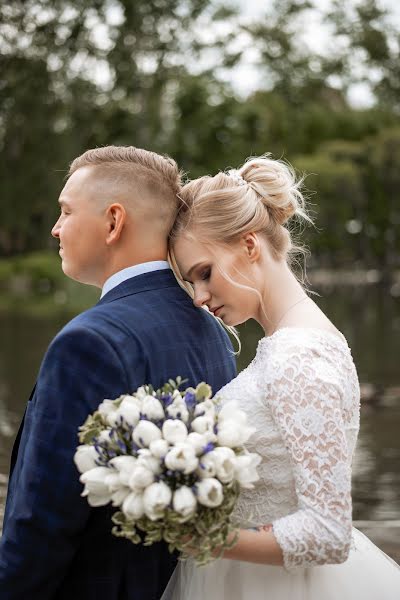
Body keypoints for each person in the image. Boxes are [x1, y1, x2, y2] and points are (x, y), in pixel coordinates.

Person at [0, 146, 236, 600]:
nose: (55, 228)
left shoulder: (88, 341)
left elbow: (43, 522)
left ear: (113, 221)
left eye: (66, 211)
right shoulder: (212, 329)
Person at [163, 155, 400, 599]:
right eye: (191, 282)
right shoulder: (289, 343)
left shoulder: (299, 356)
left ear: (249, 245)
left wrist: (203, 539)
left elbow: (329, 532)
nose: (198, 297)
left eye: (204, 273)